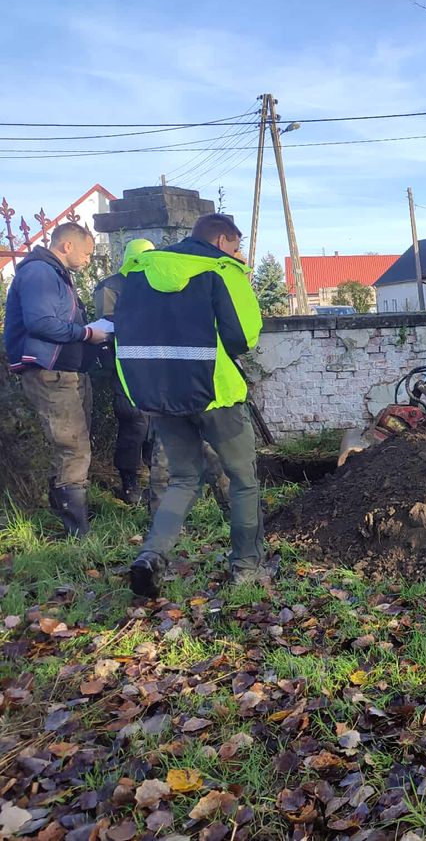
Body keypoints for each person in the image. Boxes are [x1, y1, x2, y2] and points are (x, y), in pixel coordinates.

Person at [114, 213, 267, 597]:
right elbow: (244, 337)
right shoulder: (220, 269)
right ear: (221, 241)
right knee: (243, 479)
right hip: (216, 394)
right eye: (235, 246)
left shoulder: (143, 270)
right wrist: (236, 276)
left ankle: (151, 555)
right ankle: (246, 568)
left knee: (183, 479)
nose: (238, 253)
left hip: (161, 393)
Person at [3, 223, 109, 536]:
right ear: (66, 246)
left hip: (68, 371)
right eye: (87, 252)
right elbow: (41, 323)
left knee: (73, 446)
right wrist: (87, 333)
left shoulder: (55, 273)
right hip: (52, 373)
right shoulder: (40, 273)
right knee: (72, 447)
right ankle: (77, 532)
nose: (89, 260)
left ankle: (70, 516)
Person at [92, 238, 155, 504]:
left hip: (155, 364)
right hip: (126, 364)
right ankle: (130, 482)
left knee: (157, 424)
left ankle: (160, 480)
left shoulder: (157, 282)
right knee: (134, 422)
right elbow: (106, 326)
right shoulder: (112, 286)